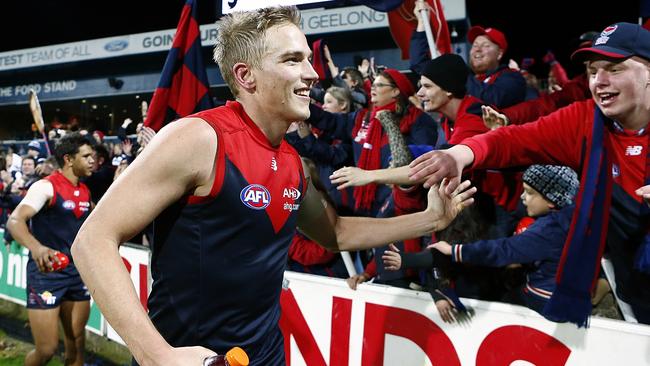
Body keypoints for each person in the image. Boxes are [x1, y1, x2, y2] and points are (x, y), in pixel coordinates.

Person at [71, 6, 476, 366]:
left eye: (308, 60)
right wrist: (155, 354)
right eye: (292, 59)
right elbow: (92, 241)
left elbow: (336, 233)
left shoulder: (293, 163)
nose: (312, 73)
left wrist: (429, 219)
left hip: (266, 354)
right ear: (246, 75)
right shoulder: (198, 138)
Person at [408, 22, 650, 325]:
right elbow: (516, 139)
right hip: (634, 291)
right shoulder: (586, 120)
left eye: (614, 69)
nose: (599, 81)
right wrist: (459, 154)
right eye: (592, 71)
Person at [7, 133, 94, 366]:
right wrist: (36, 248)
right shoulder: (45, 186)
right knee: (46, 350)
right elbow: (14, 222)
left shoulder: (85, 191)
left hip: (77, 274)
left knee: (76, 344)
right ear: (68, 159)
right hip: (46, 275)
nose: (92, 160)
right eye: (86, 156)